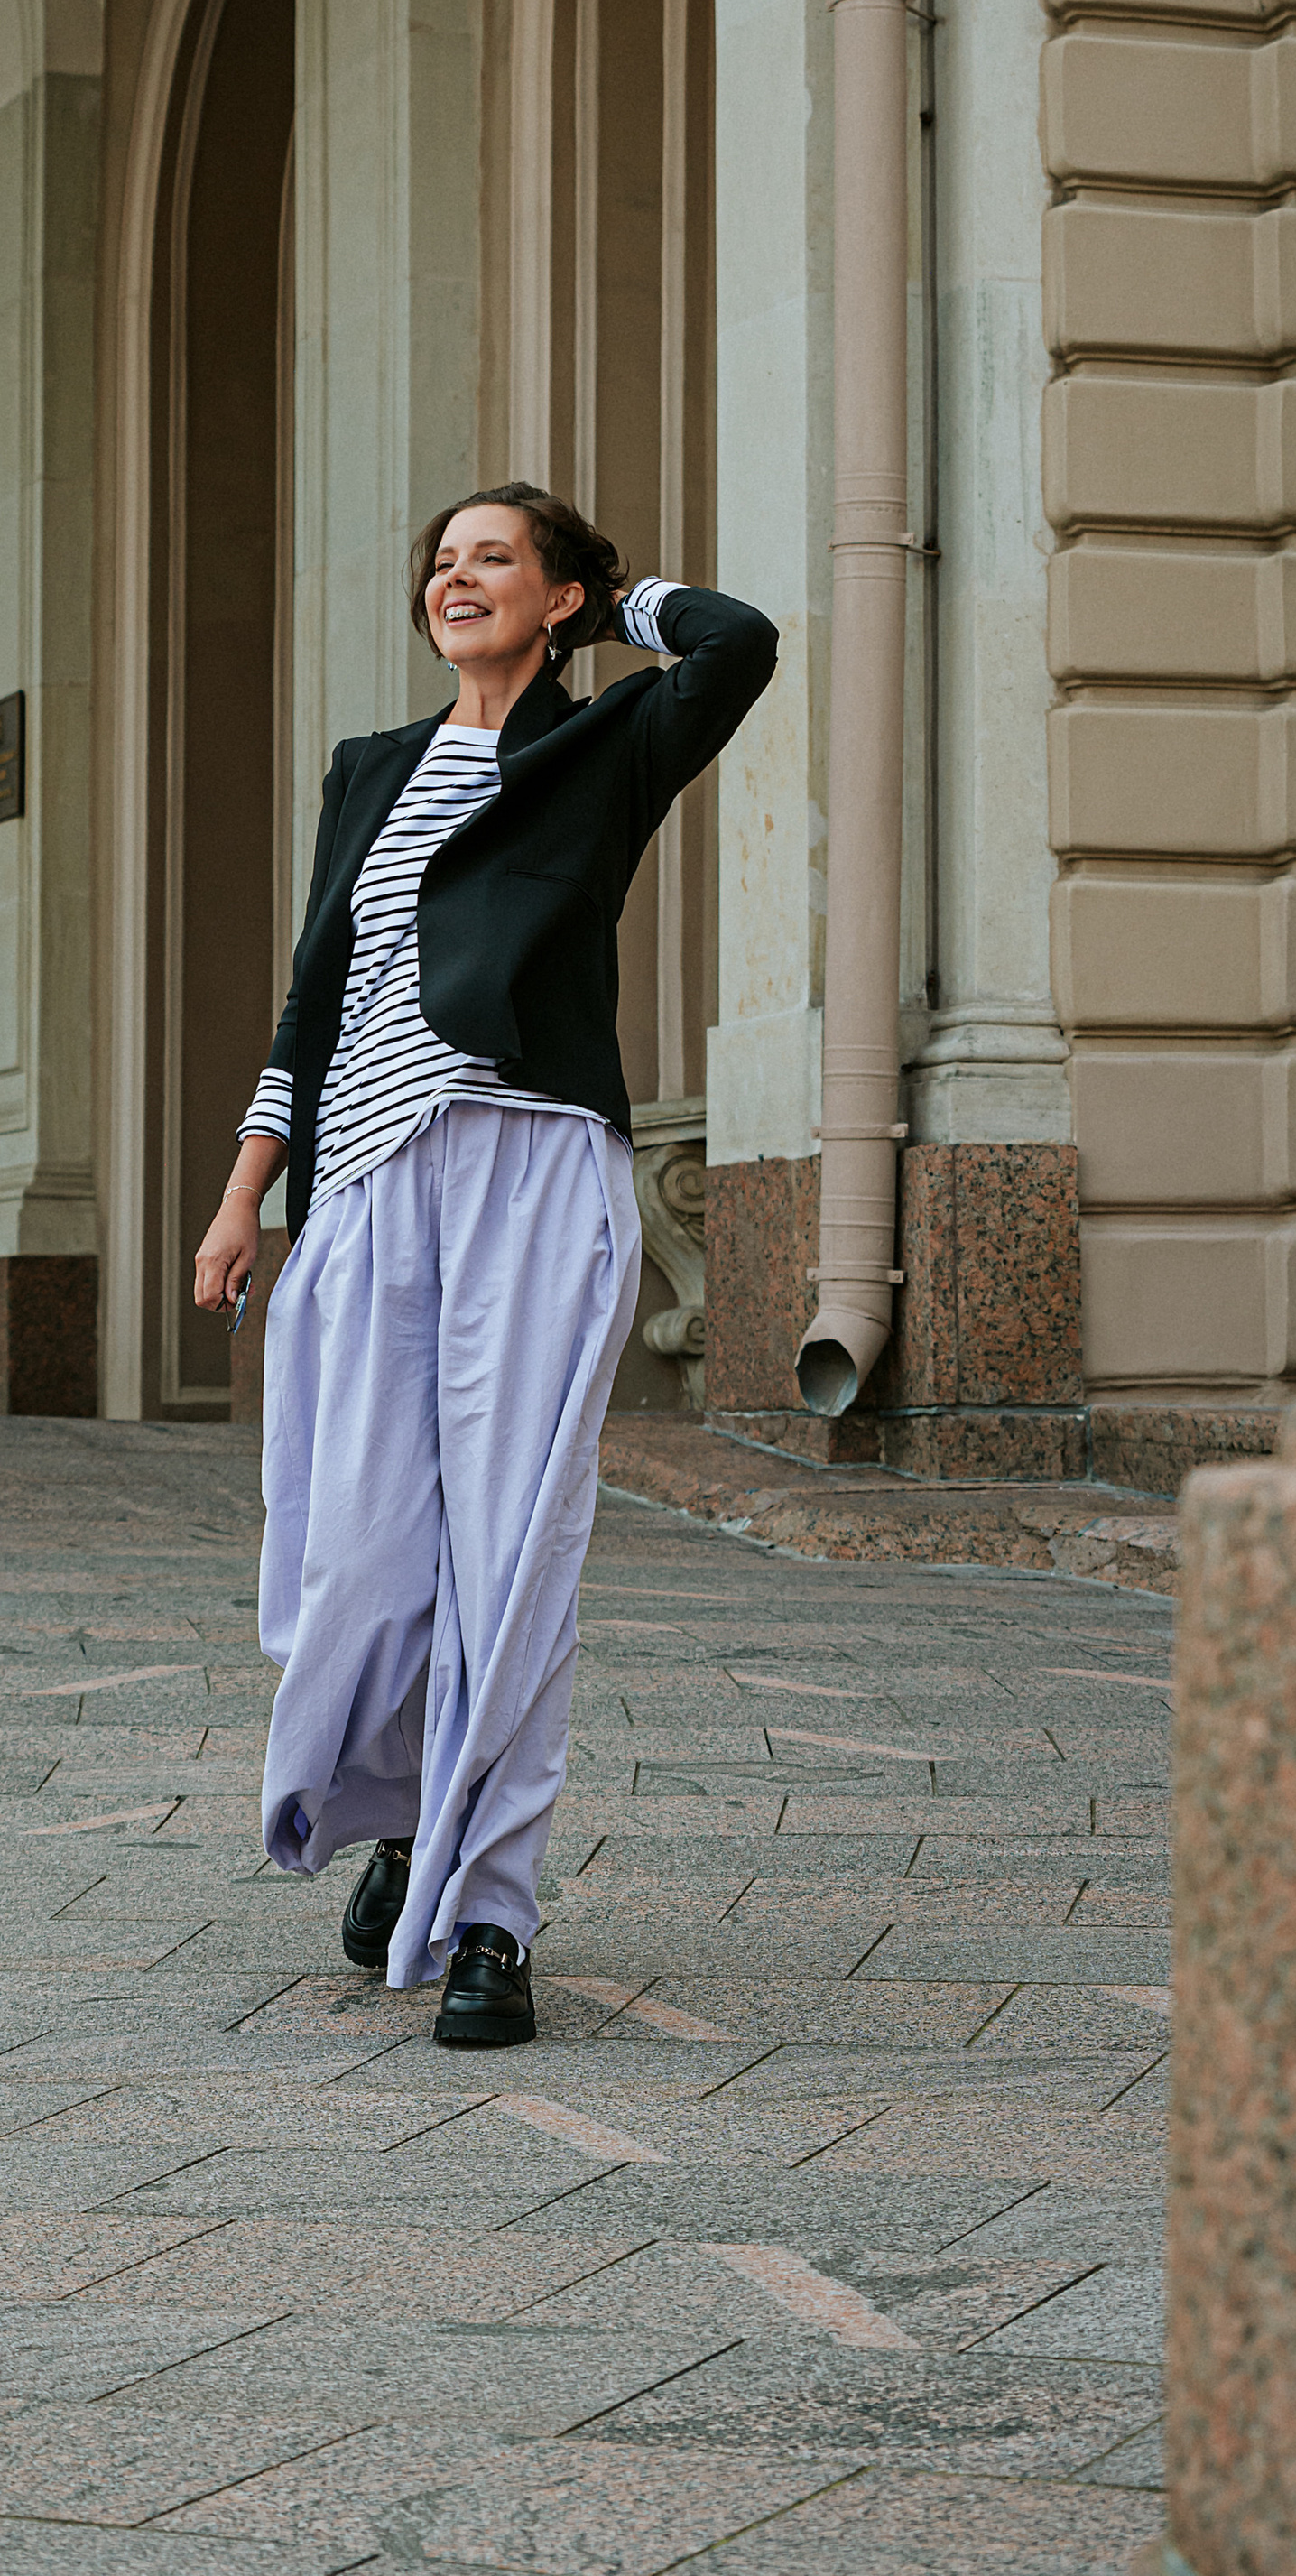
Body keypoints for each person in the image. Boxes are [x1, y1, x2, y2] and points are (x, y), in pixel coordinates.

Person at [194, 486, 776, 2047]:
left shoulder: (610, 747)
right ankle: (400, 1811)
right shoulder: (370, 773)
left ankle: (491, 1916)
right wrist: (247, 1191)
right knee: (362, 1562)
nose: (455, 578)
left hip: (529, 1167)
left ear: (560, 597)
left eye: (493, 559)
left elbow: (742, 643)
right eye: (440, 561)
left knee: (512, 1557)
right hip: (368, 1185)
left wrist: (619, 594)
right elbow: (314, 998)